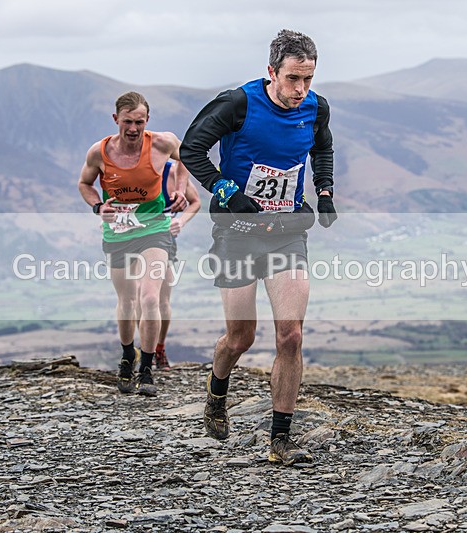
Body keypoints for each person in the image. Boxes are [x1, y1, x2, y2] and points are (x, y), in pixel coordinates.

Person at [180, 29, 337, 465]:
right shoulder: (238, 103)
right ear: (271, 72)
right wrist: (226, 190)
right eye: (292, 79)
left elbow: (322, 147)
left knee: (291, 334)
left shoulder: (316, 107)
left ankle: (280, 440)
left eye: (308, 79)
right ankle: (217, 391)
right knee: (241, 337)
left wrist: (325, 190)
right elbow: (192, 149)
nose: (300, 89)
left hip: (287, 230)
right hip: (237, 232)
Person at [78, 91, 188, 396]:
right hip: (118, 233)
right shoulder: (99, 152)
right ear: (116, 119)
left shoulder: (163, 143)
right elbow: (84, 183)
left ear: (147, 120)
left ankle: (147, 369)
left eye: (139, 122)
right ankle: (128, 356)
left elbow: (187, 158)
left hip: (154, 229)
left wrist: (180, 189)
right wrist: (98, 206)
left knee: (150, 298)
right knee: (126, 301)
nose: (133, 128)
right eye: (127, 122)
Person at [152, 160, 203, 370]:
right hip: (132, 239)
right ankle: (144, 349)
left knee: (162, 300)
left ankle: (159, 348)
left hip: (164, 240)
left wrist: (180, 221)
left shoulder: (171, 172)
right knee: (139, 298)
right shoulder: (127, 166)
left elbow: (195, 201)